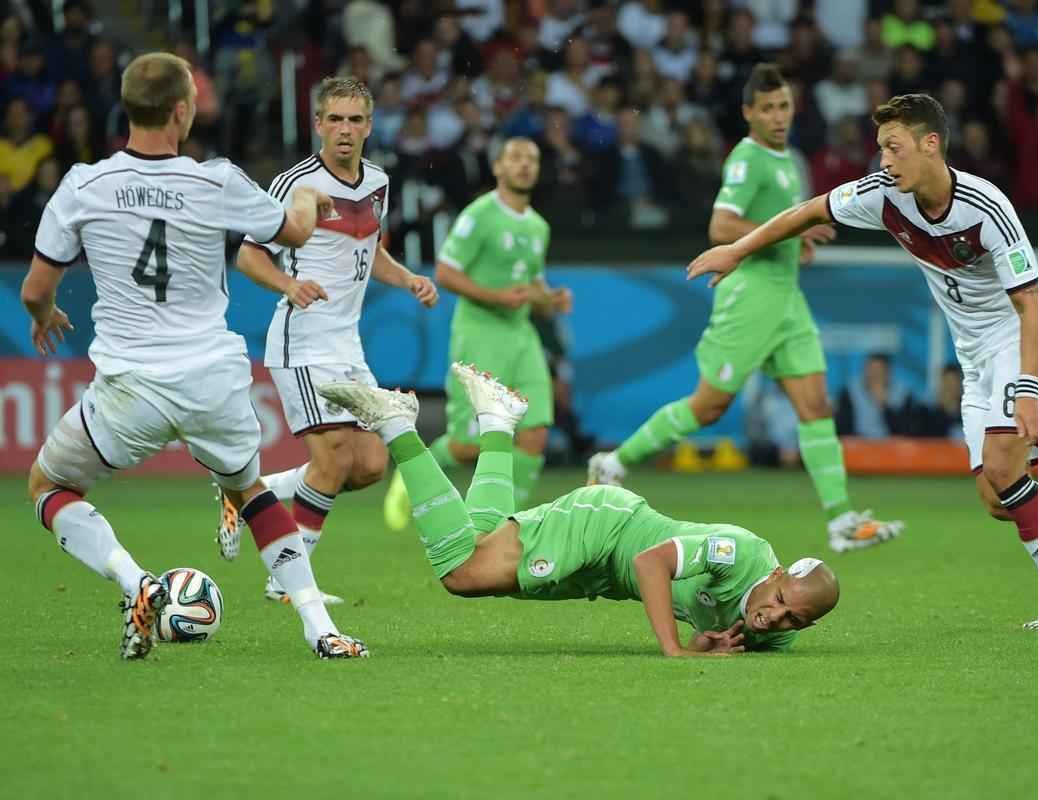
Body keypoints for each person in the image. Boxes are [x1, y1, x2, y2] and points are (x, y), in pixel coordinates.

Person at [687, 93, 1038, 629]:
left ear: (930, 144)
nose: (883, 160)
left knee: (1002, 468)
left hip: (1019, 339)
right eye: (880, 148)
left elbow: (1030, 304)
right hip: (972, 355)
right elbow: (807, 211)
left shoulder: (986, 206)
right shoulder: (882, 195)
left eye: (893, 148)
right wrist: (739, 250)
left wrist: (1030, 390)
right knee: (1000, 498)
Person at [20, 52, 367, 659]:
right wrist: (312, 201)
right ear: (182, 111)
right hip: (213, 379)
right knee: (252, 494)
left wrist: (46, 316)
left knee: (49, 485)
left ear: (126, 109)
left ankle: (137, 584)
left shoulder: (83, 184)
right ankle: (320, 629)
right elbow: (292, 231)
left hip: (129, 388)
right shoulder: (217, 181)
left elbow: (34, 289)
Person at [589, 64, 903, 554]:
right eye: (768, 109)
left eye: (785, 106)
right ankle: (614, 462)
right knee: (709, 406)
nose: (779, 117)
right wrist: (790, 231)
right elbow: (721, 226)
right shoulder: (748, 158)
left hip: (788, 299)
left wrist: (795, 241)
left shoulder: (792, 158)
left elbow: (777, 226)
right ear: (748, 113)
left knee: (816, 406)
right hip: (750, 297)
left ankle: (841, 521)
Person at [321, 363, 840, 657]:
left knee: (480, 546)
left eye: (793, 616)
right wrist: (676, 649)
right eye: (779, 599)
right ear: (774, 574)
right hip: (609, 528)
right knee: (462, 573)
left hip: (602, 574)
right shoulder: (738, 552)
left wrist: (705, 643)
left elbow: (719, 628)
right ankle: (397, 427)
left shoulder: (781, 634)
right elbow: (650, 562)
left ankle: (497, 420)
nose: (775, 616)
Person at [215, 77, 438, 603]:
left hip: (348, 347)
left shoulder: (377, 182)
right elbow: (248, 254)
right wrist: (289, 284)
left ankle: (246, 492)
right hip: (302, 342)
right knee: (334, 459)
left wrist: (406, 279)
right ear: (318, 124)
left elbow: (370, 248)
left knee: (369, 466)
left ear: (369, 125)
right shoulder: (296, 183)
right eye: (334, 119)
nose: (345, 130)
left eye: (355, 120)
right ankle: (287, 583)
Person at [383, 138, 570, 529]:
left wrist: (549, 299)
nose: (524, 166)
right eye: (515, 158)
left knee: (534, 435)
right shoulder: (479, 215)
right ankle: (407, 480)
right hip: (480, 333)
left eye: (532, 159)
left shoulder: (539, 226)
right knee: (470, 444)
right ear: (498, 167)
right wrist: (498, 296)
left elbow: (531, 285)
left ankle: (505, 523)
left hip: (522, 337)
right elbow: (447, 272)